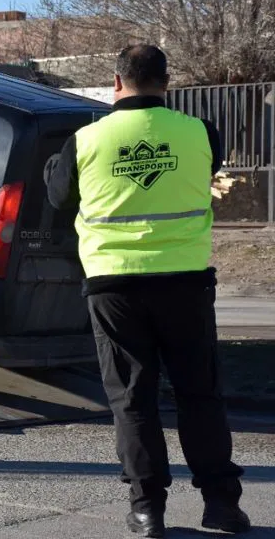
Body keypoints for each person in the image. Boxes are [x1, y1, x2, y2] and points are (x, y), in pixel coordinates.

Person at [46, 44, 250, 538]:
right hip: (184, 282)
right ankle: (221, 506)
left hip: (113, 287)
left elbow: (56, 198)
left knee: (133, 400)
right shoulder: (201, 133)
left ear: (116, 83)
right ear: (166, 82)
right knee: (199, 396)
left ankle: (147, 511)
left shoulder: (86, 140)